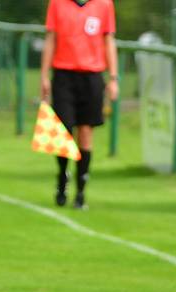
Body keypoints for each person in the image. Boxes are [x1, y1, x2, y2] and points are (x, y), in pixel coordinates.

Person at [40, 0, 118, 210]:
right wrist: (44, 75)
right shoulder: (57, 4)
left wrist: (113, 78)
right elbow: (50, 39)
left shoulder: (104, 4)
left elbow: (109, 40)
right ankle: (62, 177)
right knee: (64, 131)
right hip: (64, 76)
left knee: (85, 132)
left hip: (92, 77)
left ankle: (81, 189)